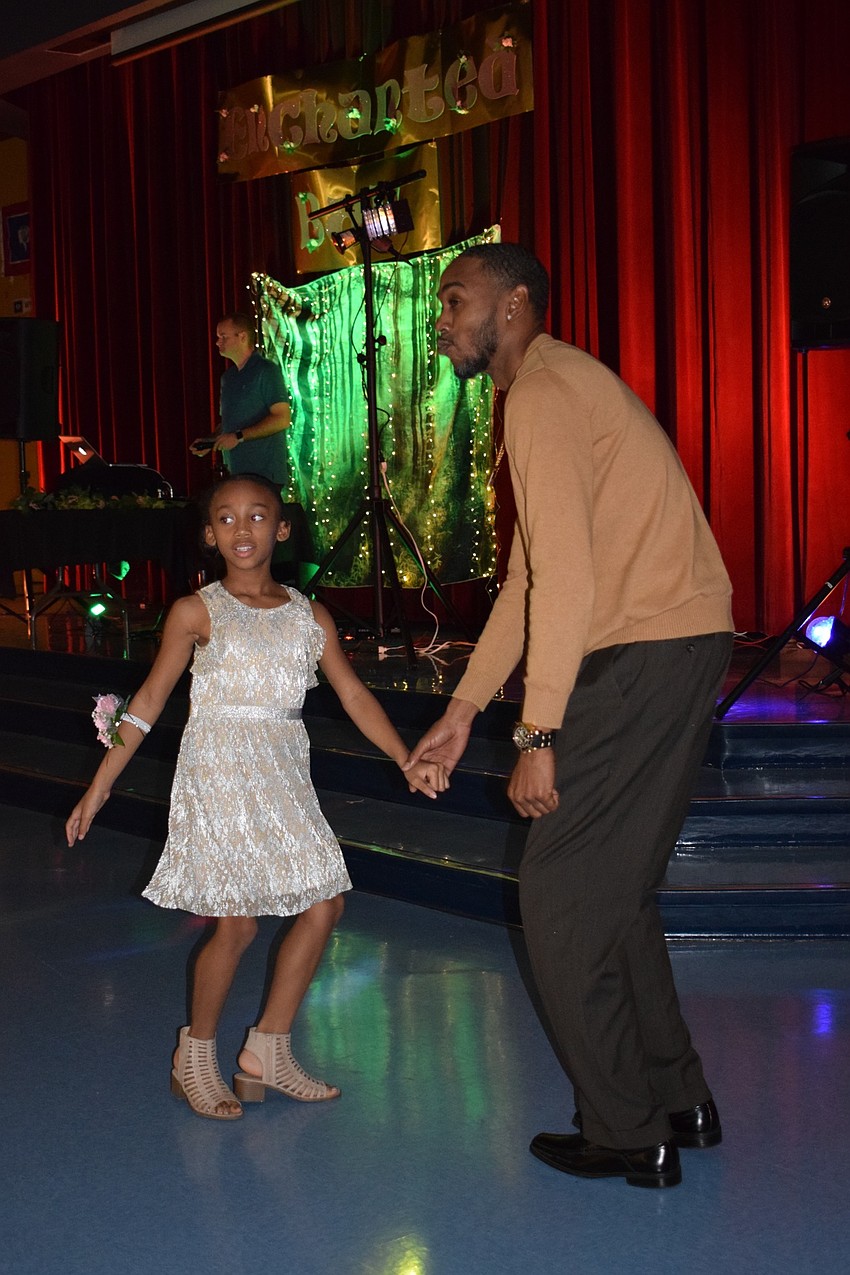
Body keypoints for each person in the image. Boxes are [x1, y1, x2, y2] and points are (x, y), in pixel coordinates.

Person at [405, 243, 734, 1188]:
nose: (441, 320)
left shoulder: (540, 395)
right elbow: (527, 581)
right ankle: (680, 1100)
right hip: (677, 641)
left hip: (642, 652)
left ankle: (630, 1131)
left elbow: (572, 582)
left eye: (454, 300)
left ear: (511, 307)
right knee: (614, 890)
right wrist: (466, 706)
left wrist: (537, 734)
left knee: (556, 897)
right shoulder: (554, 387)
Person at [66, 472, 448, 1122]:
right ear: (209, 534)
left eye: (256, 515)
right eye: (226, 518)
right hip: (218, 772)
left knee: (325, 902)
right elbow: (151, 701)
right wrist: (100, 784)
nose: (242, 529)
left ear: (282, 527)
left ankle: (267, 1048)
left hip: (282, 772)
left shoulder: (309, 614)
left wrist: (404, 756)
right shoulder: (197, 610)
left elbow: (353, 694)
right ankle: (196, 1054)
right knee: (238, 921)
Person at [191, 312, 290, 486]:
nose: (217, 342)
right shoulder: (228, 378)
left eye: (223, 336)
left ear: (242, 336)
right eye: (217, 337)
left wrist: (238, 436)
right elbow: (230, 424)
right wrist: (211, 441)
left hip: (263, 474)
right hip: (236, 473)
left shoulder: (266, 371)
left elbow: (282, 418)